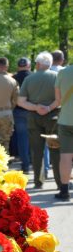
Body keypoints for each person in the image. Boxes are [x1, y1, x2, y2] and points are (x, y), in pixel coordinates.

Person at [18, 51, 60, 189]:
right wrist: (48, 108)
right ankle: (60, 182)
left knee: (37, 151)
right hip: (53, 116)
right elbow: (60, 99)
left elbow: (21, 101)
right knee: (55, 149)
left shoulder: (29, 79)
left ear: (38, 64)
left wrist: (36, 107)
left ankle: (38, 181)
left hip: (33, 117)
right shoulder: (56, 77)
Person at [54, 62, 73, 200]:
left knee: (65, 157)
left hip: (66, 120)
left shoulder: (62, 73)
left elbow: (58, 100)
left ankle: (64, 191)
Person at [12, 58, 32, 173]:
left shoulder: (13, 79)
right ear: (28, 65)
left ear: (18, 66)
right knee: (34, 138)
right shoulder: (33, 76)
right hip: (33, 110)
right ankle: (35, 163)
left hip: (18, 111)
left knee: (22, 138)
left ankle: (25, 165)